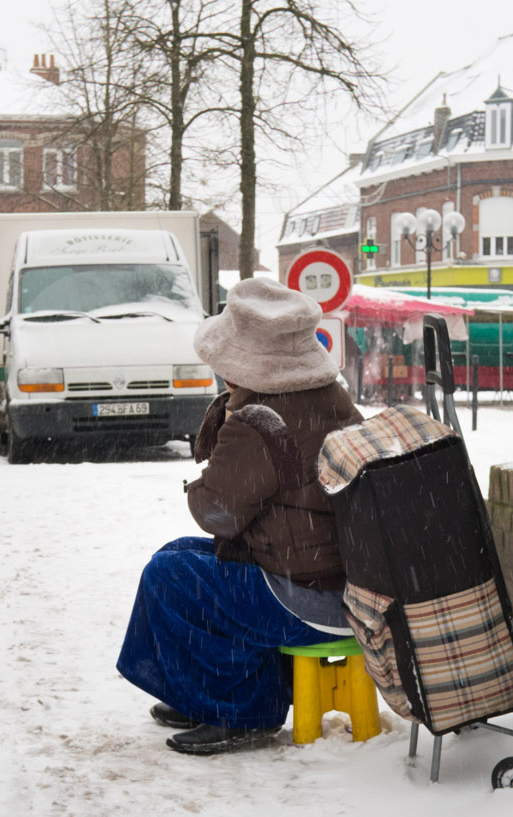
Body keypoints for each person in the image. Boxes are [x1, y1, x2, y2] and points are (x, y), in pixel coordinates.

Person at [115, 276, 364, 756]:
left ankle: (239, 711)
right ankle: (201, 693)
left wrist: (209, 471)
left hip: (310, 601)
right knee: (180, 556)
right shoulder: (329, 396)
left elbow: (216, 514)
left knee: (170, 574)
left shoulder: (260, 419)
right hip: (339, 582)